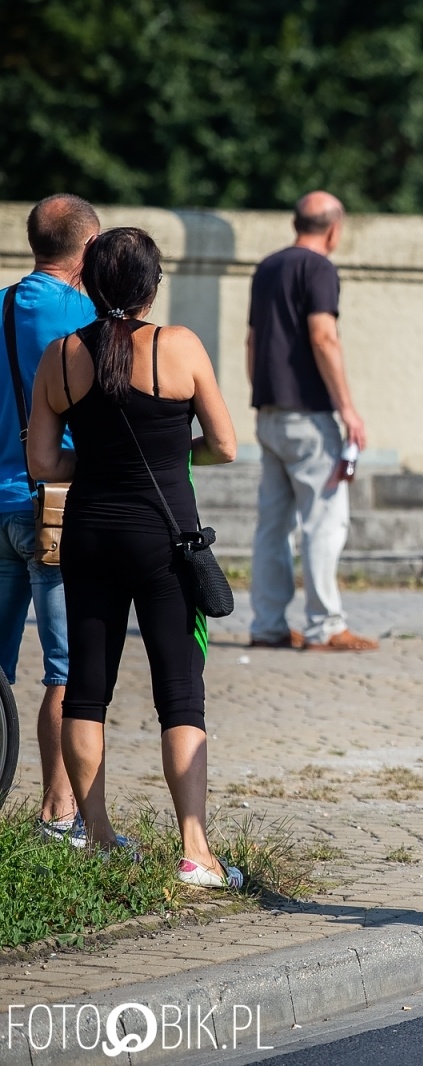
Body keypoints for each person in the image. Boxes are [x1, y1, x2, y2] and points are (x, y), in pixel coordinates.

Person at [27, 227, 243, 886]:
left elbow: (44, 463)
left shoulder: (61, 355)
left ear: (90, 284)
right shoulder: (179, 346)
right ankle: (195, 851)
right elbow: (225, 445)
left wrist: (99, 464)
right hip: (163, 537)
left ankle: (96, 835)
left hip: (89, 534)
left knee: (86, 687)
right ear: (152, 286)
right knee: (180, 692)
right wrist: (173, 453)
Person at [0, 195, 98, 843]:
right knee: (67, 668)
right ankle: (58, 814)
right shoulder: (86, 318)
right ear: (87, 250)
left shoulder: (1, 305)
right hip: (53, 508)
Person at [246, 191, 376, 652]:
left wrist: (262, 396)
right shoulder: (319, 268)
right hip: (309, 415)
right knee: (324, 521)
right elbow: (324, 337)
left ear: (296, 222)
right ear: (334, 228)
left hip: (269, 412)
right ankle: (326, 625)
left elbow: (252, 341)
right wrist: (348, 409)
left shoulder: (267, 268)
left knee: (272, 526)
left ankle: (267, 625)